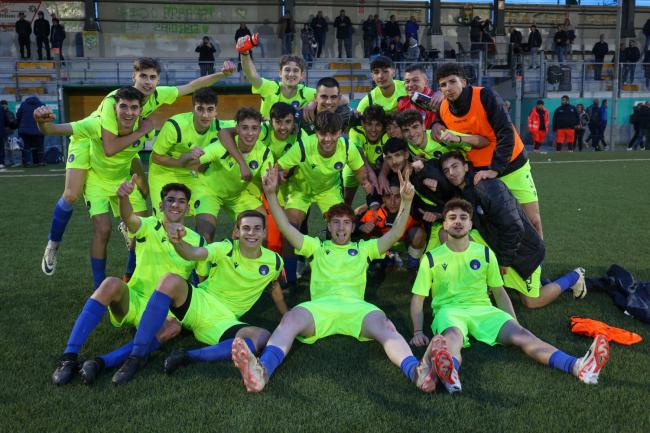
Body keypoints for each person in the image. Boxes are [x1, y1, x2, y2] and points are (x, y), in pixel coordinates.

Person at [231, 163, 443, 394]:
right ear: (329, 226)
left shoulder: (364, 248)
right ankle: (261, 371)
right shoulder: (316, 247)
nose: (341, 228)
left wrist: (407, 201)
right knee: (290, 319)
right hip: (319, 309)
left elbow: (395, 234)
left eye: (346, 223)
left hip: (357, 309)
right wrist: (271, 194)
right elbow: (285, 227)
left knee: (386, 326)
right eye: (336, 222)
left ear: (352, 227)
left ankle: (417, 373)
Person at [40, 57, 239, 278]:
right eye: (143, 76)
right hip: (90, 139)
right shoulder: (114, 101)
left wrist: (222, 74)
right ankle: (52, 245)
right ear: (133, 76)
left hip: (124, 148)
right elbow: (110, 146)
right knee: (71, 194)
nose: (147, 81)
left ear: (158, 80)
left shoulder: (156, 96)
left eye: (152, 77)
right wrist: (143, 131)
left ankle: (129, 268)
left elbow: (192, 86)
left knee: (142, 205)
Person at [409, 198, 610, 393]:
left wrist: (513, 323)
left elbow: (499, 291)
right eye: (452, 218)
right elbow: (418, 299)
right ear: (444, 224)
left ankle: (578, 366)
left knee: (523, 335)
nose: (458, 222)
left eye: (463, 217)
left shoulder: (485, 253)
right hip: (449, 311)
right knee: (452, 338)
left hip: (483, 310)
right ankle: (451, 373)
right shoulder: (431, 258)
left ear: (470, 224)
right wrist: (418, 332)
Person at [50, 181, 205, 385]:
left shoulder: (198, 241)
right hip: (135, 300)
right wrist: (123, 197)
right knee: (110, 283)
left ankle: (100, 362)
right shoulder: (148, 225)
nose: (175, 205)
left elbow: (203, 282)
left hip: (165, 311)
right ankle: (68, 357)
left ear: (188, 208)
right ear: (161, 206)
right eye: (170, 200)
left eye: (181, 201)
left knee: (173, 327)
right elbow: (128, 217)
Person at [111, 210, 286, 385]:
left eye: (257, 228)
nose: (251, 233)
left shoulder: (275, 262)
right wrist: (178, 242)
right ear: (236, 231)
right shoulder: (225, 248)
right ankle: (136, 357)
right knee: (169, 280)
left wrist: (286, 313)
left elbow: (273, 285)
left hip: (223, 321)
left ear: (264, 232)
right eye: (246, 228)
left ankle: (187, 356)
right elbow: (193, 253)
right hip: (199, 303)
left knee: (261, 336)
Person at [439, 151, 587, 309]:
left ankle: (574, 277)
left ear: (466, 167)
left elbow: (514, 227)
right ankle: (480, 282)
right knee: (447, 232)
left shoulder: (488, 187)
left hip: (524, 254)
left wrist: (504, 261)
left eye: (455, 166)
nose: (451, 173)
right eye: (446, 170)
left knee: (531, 302)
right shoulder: (464, 192)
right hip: (499, 245)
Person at [431, 63, 544, 238]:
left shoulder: (485, 95)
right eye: (443, 85)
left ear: (464, 82)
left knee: (532, 220)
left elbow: (506, 131)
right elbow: (439, 119)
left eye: (452, 82)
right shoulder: (443, 107)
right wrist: (435, 124)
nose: (448, 88)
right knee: (497, 225)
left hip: (512, 164)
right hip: (480, 172)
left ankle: (539, 256)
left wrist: (495, 169)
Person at [148, 87, 238, 214]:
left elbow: (249, 125)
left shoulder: (222, 128)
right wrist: (182, 161)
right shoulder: (175, 126)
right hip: (164, 171)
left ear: (216, 111)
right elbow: (156, 157)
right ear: (193, 109)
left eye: (210, 109)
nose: (205, 115)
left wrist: (264, 121)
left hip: (192, 173)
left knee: (201, 210)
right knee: (165, 216)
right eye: (200, 109)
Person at [193, 107, 271, 243]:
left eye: (254, 128)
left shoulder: (265, 153)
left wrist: (274, 181)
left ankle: (238, 252)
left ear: (260, 130)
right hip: (209, 191)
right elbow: (195, 162)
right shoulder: (222, 146)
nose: (250, 133)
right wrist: (196, 162)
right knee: (205, 236)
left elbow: (268, 182)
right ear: (237, 129)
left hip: (237, 195)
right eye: (245, 128)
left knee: (262, 227)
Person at [236, 44, 316, 119]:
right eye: (287, 70)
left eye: (295, 71)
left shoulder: (310, 93)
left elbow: (323, 97)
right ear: (280, 73)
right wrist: (244, 52)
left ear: (302, 75)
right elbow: (251, 74)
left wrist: (315, 102)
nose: (291, 74)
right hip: (267, 129)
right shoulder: (269, 87)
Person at [397, 63, 440, 129]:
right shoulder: (402, 103)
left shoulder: (437, 99)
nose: (410, 85)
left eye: (415, 80)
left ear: (426, 82)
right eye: (407, 81)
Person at [17, 95, 45, 167]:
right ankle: (40, 162)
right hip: (39, 129)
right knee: (39, 146)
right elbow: (45, 117)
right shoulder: (42, 105)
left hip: (25, 130)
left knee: (26, 146)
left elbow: (18, 115)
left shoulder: (23, 104)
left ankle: (27, 162)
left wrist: (20, 125)